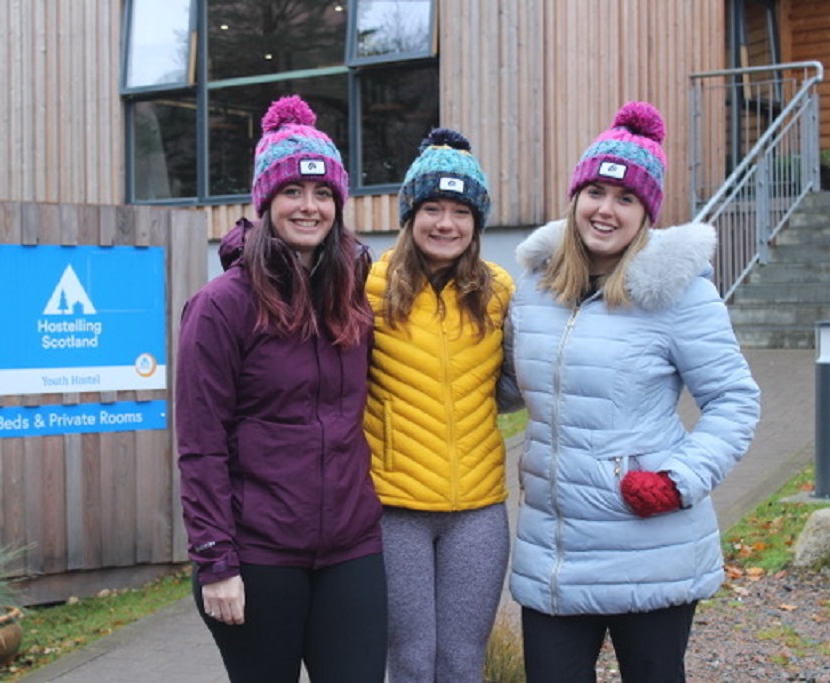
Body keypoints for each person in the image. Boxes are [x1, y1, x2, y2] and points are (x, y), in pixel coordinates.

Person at [505, 100, 762, 682]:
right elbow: (503, 384)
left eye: (626, 199)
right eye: (595, 191)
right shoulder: (534, 289)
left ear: (646, 214)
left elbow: (735, 401)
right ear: (575, 198)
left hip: (648, 544)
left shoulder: (679, 295)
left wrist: (678, 481)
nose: (606, 209)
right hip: (554, 551)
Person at [175, 94, 387, 683]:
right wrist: (216, 562)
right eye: (293, 191)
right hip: (257, 554)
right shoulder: (221, 308)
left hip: (350, 548)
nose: (309, 207)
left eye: (323, 194)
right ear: (264, 201)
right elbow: (200, 444)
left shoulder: (351, 301)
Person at [364, 128, 518, 682]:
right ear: (410, 214)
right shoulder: (367, 287)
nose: (445, 223)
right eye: (431, 207)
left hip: (476, 511)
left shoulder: (499, 291)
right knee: (409, 662)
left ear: (476, 221)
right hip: (393, 508)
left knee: (461, 663)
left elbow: (518, 383)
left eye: (459, 210)